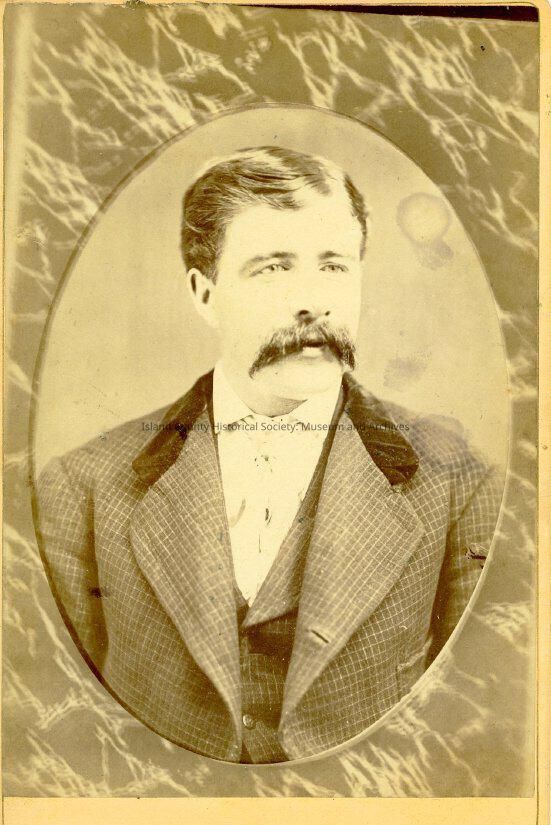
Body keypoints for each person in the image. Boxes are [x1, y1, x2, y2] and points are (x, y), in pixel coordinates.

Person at [36, 146, 502, 764]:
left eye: (333, 266)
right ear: (205, 294)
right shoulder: (84, 486)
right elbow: (59, 725)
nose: (312, 301)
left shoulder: (459, 484)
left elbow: (473, 732)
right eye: (273, 268)